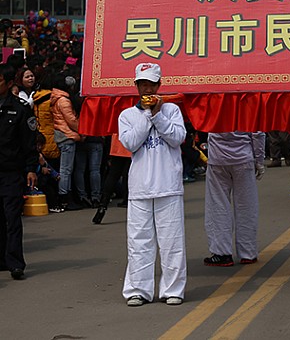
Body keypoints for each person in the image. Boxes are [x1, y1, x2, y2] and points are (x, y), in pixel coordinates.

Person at [118, 63, 187, 307]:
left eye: (151, 84)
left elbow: (177, 138)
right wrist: (148, 115)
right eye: (142, 84)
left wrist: (158, 114)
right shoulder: (127, 115)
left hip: (168, 185)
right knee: (139, 241)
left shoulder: (172, 110)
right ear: (136, 86)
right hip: (140, 188)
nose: (147, 89)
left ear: (159, 85)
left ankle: (173, 289)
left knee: (172, 241)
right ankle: (138, 290)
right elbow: (130, 143)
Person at [203, 131, 265, 267]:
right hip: (243, 158)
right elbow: (258, 133)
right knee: (247, 206)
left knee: (218, 206)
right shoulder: (247, 114)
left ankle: (221, 253)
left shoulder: (213, 114)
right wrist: (259, 160)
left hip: (218, 158)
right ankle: (248, 252)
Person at [0, 63, 38, 280]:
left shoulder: (21, 109)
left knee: (12, 217)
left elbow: (29, 142)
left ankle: (15, 262)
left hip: (11, 171)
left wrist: (31, 169)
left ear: (8, 83)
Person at [50, 73, 83, 211]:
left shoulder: (55, 98)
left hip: (61, 134)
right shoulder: (63, 100)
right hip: (67, 136)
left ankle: (65, 196)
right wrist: (82, 131)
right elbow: (71, 120)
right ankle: (64, 197)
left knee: (65, 169)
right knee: (66, 170)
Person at [92, 135, 131, 225]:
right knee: (128, 176)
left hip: (117, 144)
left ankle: (102, 206)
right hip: (131, 144)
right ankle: (129, 202)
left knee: (112, 176)